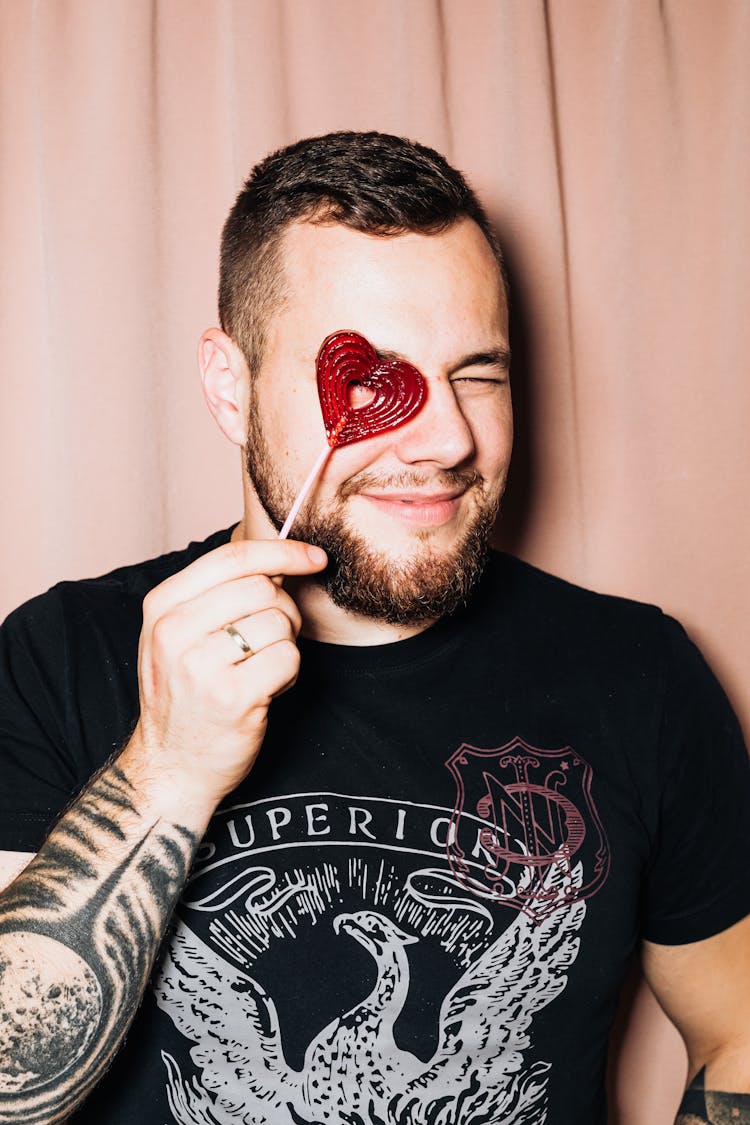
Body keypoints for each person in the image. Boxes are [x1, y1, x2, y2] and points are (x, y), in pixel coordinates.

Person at [0, 131, 748, 1125]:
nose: (448, 438)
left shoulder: (638, 672)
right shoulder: (60, 658)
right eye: (369, 380)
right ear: (231, 386)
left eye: (478, 373)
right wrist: (167, 771)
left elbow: (739, 1025)